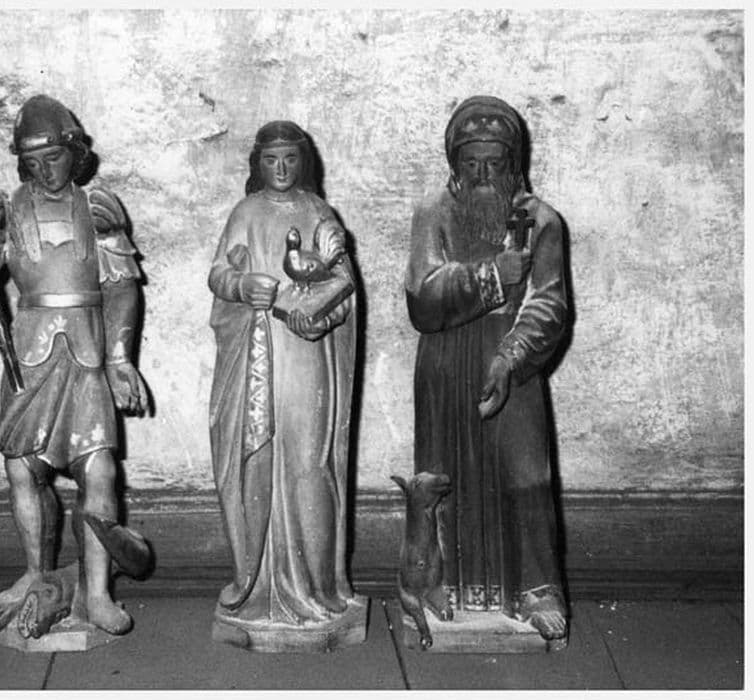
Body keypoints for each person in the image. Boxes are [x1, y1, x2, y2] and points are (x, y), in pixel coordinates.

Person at [0, 94, 149, 638]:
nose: (44, 171)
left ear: (74, 152)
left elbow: (122, 289)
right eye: (31, 161)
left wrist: (121, 360)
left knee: (100, 471)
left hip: (87, 357)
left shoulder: (97, 209)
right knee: (22, 470)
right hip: (29, 354)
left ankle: (97, 593)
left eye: (54, 157)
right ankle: (34, 573)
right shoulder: (6, 210)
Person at [404, 95, 569, 641]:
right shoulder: (434, 212)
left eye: (493, 163)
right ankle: (436, 583)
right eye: (470, 162)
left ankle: (537, 588)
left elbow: (548, 304)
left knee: (526, 477)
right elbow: (422, 299)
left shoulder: (540, 220)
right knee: (441, 479)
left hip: (512, 363)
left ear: (512, 163)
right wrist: (493, 274)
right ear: (454, 162)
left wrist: (510, 357)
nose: (481, 174)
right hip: (445, 364)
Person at [207, 121, 365, 650]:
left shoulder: (318, 212)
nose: (281, 168)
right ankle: (257, 586)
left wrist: (319, 315)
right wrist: (242, 284)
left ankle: (316, 588)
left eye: (290, 158)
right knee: (257, 455)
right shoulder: (246, 213)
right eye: (271, 159)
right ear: (258, 163)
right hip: (258, 349)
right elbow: (219, 273)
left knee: (308, 462)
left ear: (304, 162)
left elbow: (342, 282)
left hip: (304, 354)